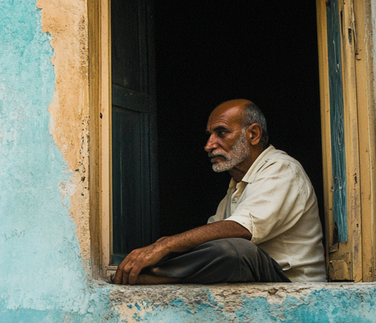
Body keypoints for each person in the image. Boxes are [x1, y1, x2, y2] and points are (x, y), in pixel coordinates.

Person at [112, 99, 326, 285]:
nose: (209, 145)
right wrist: (161, 247)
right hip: (259, 279)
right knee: (211, 247)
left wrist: (165, 245)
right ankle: (142, 272)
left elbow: (242, 229)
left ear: (253, 134)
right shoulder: (237, 185)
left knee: (236, 252)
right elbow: (208, 239)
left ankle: (150, 277)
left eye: (221, 133)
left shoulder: (281, 168)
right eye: (209, 135)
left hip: (291, 285)